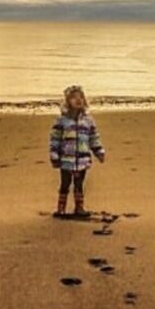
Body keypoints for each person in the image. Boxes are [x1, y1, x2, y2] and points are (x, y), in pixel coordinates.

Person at [49, 85, 106, 218]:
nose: (78, 100)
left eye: (81, 97)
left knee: (79, 184)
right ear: (68, 101)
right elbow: (55, 138)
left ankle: (79, 208)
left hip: (82, 159)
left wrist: (99, 151)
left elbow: (93, 138)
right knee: (65, 183)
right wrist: (54, 154)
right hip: (66, 159)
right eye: (74, 98)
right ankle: (61, 208)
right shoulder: (62, 120)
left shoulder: (88, 120)